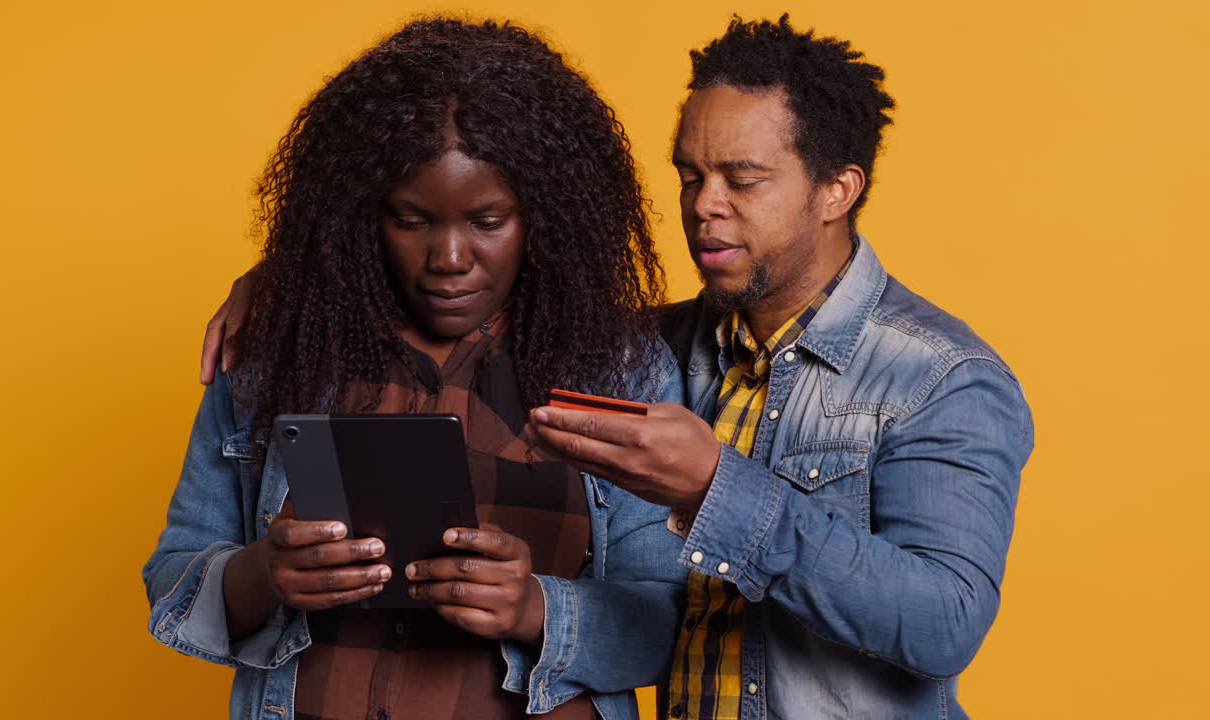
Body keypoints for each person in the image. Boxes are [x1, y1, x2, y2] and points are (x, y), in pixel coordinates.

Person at [145, 18, 689, 720]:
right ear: (361, 213)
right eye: (411, 220)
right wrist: (264, 574)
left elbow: (669, 627)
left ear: (545, 216)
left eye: (488, 221)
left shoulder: (623, 371)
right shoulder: (279, 349)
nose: (449, 258)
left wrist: (532, 608)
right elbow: (173, 580)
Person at [528, 15, 1035, 720]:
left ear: (837, 191)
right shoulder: (648, 351)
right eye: (690, 176)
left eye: (743, 180)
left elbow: (944, 623)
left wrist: (713, 487)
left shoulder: (940, 376)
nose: (704, 206)